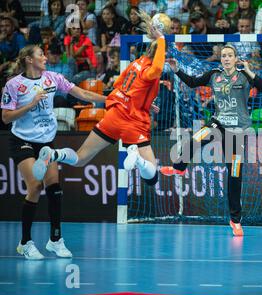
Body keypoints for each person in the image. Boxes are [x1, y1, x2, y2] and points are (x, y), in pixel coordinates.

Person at [32, 14, 166, 204]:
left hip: (113, 116)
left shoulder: (136, 64)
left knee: (80, 159)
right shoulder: (152, 67)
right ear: (160, 52)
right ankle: (136, 158)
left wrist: (143, 100)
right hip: (133, 122)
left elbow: (119, 84)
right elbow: (157, 69)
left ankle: (55, 154)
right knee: (151, 177)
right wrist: (161, 40)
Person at [0, 45, 106, 260]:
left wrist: (111, 101)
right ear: (29, 60)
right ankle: (25, 243)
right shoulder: (14, 85)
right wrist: (30, 104)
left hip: (46, 142)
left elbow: (82, 93)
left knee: (55, 189)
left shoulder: (53, 78)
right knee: (36, 185)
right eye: (40, 55)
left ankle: (55, 240)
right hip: (22, 140)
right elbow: (5, 118)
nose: (45, 58)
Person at [160, 45, 262, 237]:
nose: (226, 59)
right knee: (194, 139)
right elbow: (193, 82)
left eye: (230, 56)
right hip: (218, 123)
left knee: (235, 175)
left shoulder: (244, 76)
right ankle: (179, 167)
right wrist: (177, 69)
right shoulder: (214, 74)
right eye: (224, 56)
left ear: (236, 59)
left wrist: (250, 71)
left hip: (237, 131)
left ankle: (235, 221)